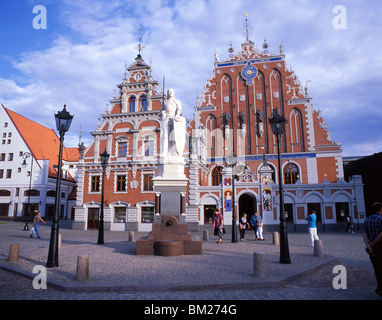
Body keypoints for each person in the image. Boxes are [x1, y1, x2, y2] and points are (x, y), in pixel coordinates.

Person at [363, 202, 382, 298]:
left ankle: (380, 287)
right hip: (379, 246)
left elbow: (364, 234)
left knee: (377, 269)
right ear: (380, 209)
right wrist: (374, 243)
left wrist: (368, 246)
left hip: (372, 249)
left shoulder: (367, 219)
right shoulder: (381, 219)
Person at [160, 88, 186, 158]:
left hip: (174, 120)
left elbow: (179, 109)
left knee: (174, 137)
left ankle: (174, 152)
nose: (170, 93)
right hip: (166, 120)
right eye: (168, 92)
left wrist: (177, 115)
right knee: (165, 136)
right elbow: (161, 112)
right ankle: (164, 152)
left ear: (173, 93)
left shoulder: (177, 101)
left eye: (171, 92)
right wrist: (162, 113)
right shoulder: (164, 103)